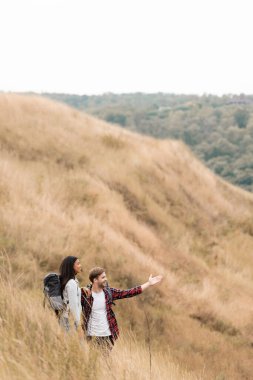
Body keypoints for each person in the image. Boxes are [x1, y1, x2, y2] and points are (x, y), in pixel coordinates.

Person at [81, 267, 162, 350]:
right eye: (103, 277)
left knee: (104, 361)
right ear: (95, 280)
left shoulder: (109, 292)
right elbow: (70, 299)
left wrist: (148, 283)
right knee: (93, 361)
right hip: (91, 335)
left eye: (105, 276)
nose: (106, 279)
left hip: (107, 336)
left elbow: (128, 293)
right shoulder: (85, 294)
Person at [59, 256, 83, 338]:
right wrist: (78, 325)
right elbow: (73, 305)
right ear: (71, 266)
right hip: (70, 321)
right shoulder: (72, 283)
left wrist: (81, 289)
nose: (80, 265)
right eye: (78, 263)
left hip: (66, 318)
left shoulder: (69, 281)